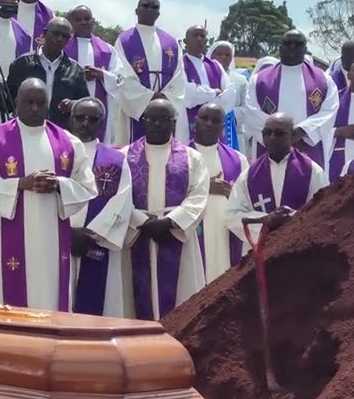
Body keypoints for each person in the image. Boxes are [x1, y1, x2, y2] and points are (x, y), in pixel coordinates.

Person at [0, 78, 96, 310]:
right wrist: (20, 184)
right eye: (28, 102)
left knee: (49, 298)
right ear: (17, 104)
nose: (34, 108)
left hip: (52, 238)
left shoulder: (68, 143)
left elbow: (87, 187)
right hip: (6, 237)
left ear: (47, 104)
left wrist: (59, 184)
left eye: (40, 103)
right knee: (7, 304)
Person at [121, 99, 207, 320]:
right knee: (136, 298)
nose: (157, 124)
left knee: (182, 298)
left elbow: (198, 195)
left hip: (175, 233)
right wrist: (141, 221)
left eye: (164, 119)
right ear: (143, 121)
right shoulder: (124, 156)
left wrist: (170, 222)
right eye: (152, 119)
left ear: (174, 122)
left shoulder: (191, 157)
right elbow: (118, 198)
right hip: (138, 234)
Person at [225, 113, 330, 251]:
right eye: (267, 133)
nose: (272, 138)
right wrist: (266, 220)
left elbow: (325, 209)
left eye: (279, 133)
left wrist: (298, 219)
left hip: (301, 252)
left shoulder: (313, 172)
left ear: (293, 136)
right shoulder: (249, 175)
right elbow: (232, 214)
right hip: (261, 253)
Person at [68, 98, 132, 317]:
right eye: (80, 117)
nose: (86, 123)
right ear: (71, 119)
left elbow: (122, 201)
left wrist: (90, 235)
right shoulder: (55, 153)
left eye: (93, 119)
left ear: (102, 123)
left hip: (95, 243)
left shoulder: (115, 160)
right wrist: (65, 232)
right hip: (59, 241)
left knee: (98, 307)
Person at [241, 30, 337, 164]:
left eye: (298, 44)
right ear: (280, 47)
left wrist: (302, 131)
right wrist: (278, 135)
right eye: (287, 43)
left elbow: (329, 111)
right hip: (270, 147)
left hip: (307, 147)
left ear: (305, 48)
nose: (292, 47)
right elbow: (251, 111)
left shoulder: (324, 80)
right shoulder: (259, 80)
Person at [111, 0, 187, 145]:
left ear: (159, 13)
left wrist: (164, 98)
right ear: (136, 10)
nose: (150, 9)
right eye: (145, 5)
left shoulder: (170, 41)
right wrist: (149, 98)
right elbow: (121, 74)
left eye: (155, 7)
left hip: (166, 103)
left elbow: (179, 76)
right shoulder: (125, 40)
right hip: (136, 108)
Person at [191, 104, 247, 282]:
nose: (209, 124)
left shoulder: (238, 160)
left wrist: (233, 193)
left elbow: (248, 201)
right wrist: (204, 188)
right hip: (193, 234)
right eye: (204, 118)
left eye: (215, 121)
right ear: (195, 121)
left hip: (225, 234)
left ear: (223, 128)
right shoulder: (180, 157)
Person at [5, 17, 89, 128]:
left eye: (65, 36)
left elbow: (84, 105)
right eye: (56, 34)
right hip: (25, 130)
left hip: (59, 133)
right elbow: (8, 102)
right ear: (44, 33)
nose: (59, 39)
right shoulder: (22, 64)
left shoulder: (75, 70)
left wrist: (73, 105)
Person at [64, 6, 116, 135]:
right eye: (78, 19)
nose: (83, 22)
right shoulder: (63, 47)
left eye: (87, 19)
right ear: (71, 22)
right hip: (68, 110)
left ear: (93, 21)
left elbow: (120, 78)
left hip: (97, 109)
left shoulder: (107, 50)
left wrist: (101, 74)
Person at [182, 25, 236, 129]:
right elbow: (188, 96)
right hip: (188, 123)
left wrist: (203, 97)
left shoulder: (215, 65)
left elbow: (230, 96)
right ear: (185, 41)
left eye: (202, 36)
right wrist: (215, 93)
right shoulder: (180, 64)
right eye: (195, 36)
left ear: (207, 40)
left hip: (214, 124)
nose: (199, 39)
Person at [208, 40, 248, 153]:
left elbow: (247, 107)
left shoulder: (241, 80)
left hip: (234, 131)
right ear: (211, 55)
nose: (223, 57)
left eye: (227, 55)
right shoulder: (203, 77)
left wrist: (228, 115)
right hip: (207, 129)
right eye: (219, 54)